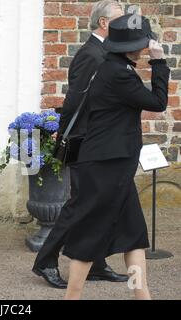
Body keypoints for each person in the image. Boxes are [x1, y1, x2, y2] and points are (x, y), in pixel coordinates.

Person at [62, 14, 169, 300]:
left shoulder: (115, 66)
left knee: (133, 233)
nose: (143, 47)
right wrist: (159, 62)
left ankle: (141, 294)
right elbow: (158, 103)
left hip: (114, 165)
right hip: (105, 167)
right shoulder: (118, 73)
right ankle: (71, 297)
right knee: (90, 235)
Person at [32, 0, 127, 288]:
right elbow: (75, 98)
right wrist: (64, 134)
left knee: (99, 206)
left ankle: (95, 262)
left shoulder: (106, 52)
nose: (124, 26)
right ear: (103, 23)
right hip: (86, 141)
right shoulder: (91, 54)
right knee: (78, 205)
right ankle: (45, 261)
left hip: (100, 140)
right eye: (119, 21)